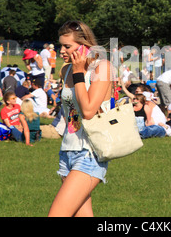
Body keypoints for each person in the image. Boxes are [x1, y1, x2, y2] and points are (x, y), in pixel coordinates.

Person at [48, 20, 114, 217]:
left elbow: (88, 110)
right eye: (61, 45)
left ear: (85, 46)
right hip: (67, 151)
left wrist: (79, 73)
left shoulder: (102, 68)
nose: (61, 51)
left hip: (90, 153)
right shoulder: (65, 70)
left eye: (67, 46)